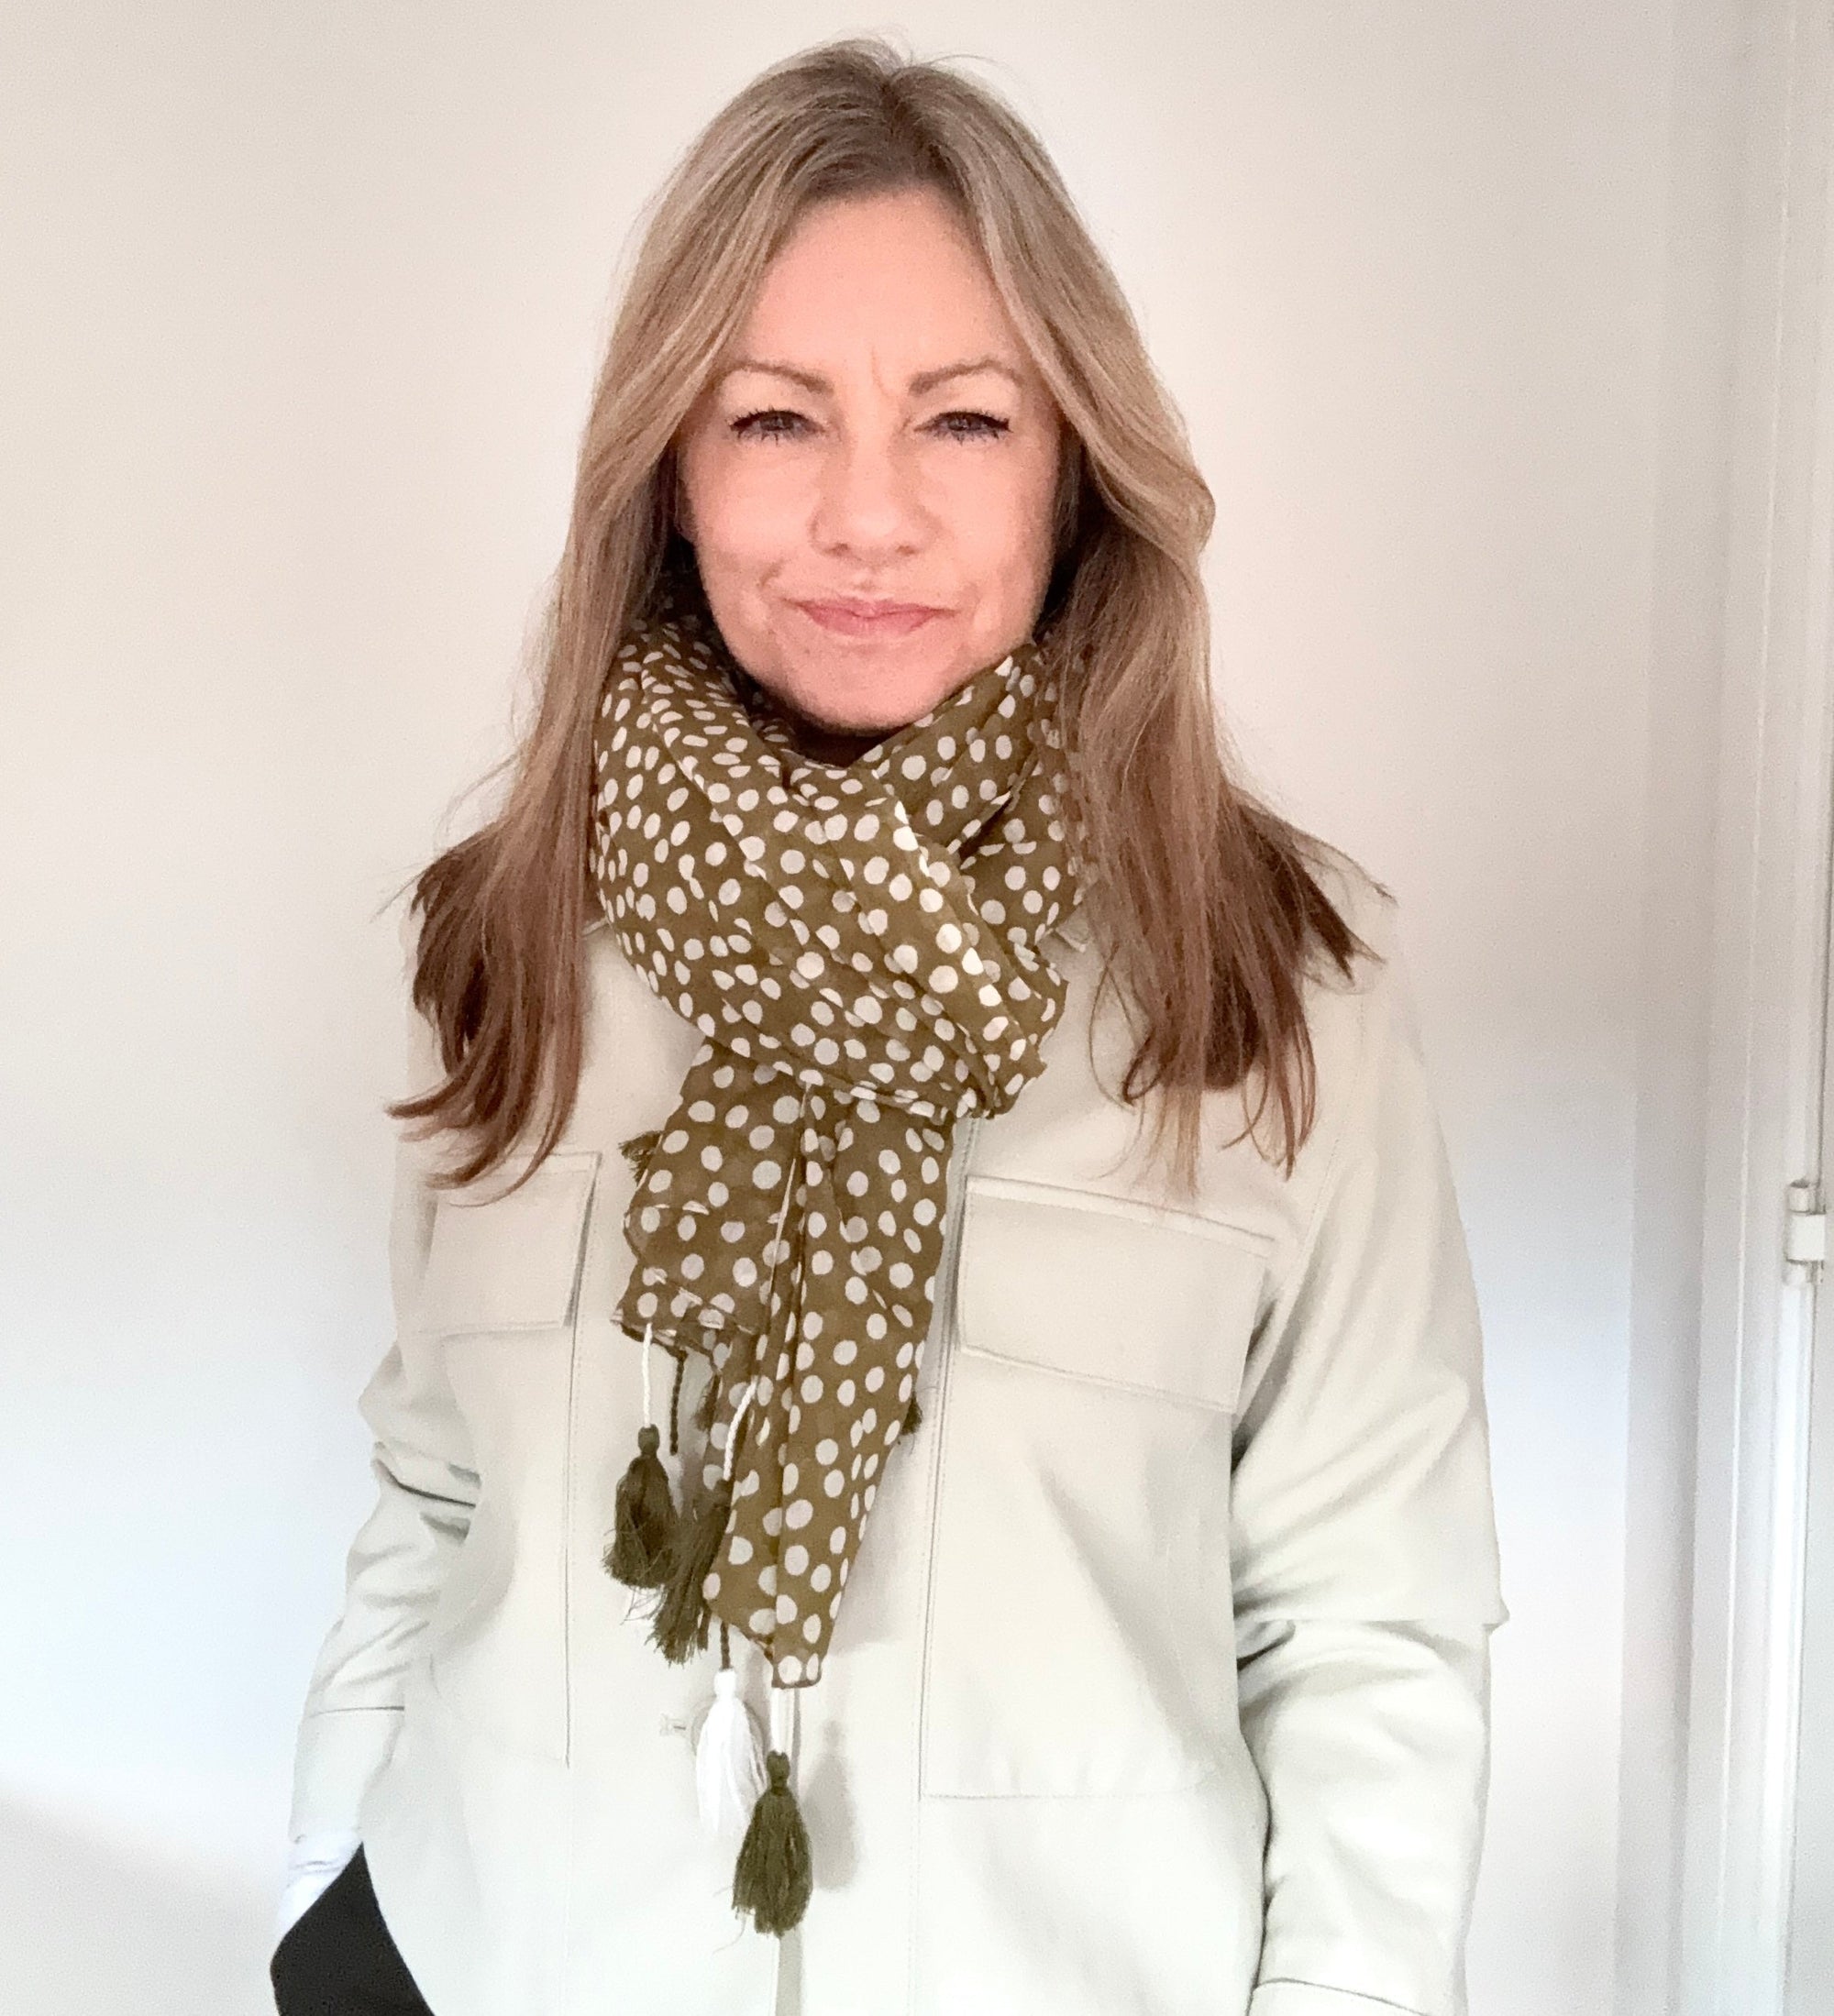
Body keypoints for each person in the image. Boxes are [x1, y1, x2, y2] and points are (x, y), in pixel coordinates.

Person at [271, 33, 1508, 2016]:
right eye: (773, 419)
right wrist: (325, 1890)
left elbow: (1367, 1625)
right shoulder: (508, 928)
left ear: (1073, 470)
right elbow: (434, 1496)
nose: (866, 517)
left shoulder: (1278, 984)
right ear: (669, 477)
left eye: (960, 421)